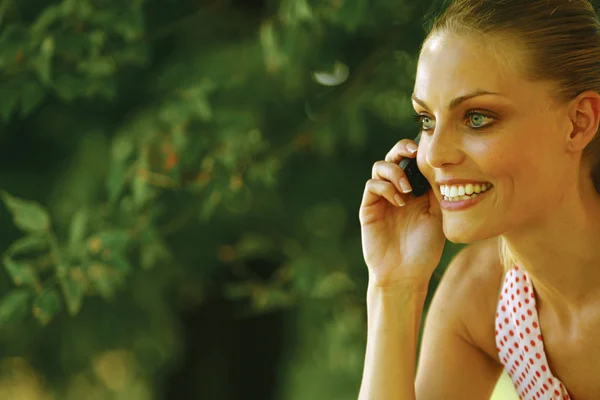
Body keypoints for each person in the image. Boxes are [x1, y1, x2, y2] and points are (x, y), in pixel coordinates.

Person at [357, 0, 600, 399]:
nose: (433, 155)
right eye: (426, 121)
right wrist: (392, 286)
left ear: (578, 123)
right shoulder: (481, 296)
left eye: (477, 118)